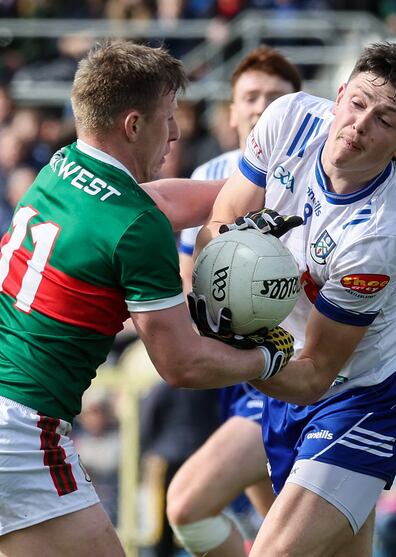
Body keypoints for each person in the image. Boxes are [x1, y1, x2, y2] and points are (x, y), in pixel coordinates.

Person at [0, 41, 295, 557]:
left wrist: (262, 192)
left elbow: (158, 199)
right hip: (10, 429)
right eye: (167, 118)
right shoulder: (136, 228)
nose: (175, 133)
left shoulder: (60, 166)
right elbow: (183, 364)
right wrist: (273, 354)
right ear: (133, 124)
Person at [188, 42, 396, 556]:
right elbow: (216, 228)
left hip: (364, 395)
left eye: (385, 119)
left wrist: (225, 348)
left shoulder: (382, 232)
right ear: (341, 92)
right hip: (287, 374)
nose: (360, 123)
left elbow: (314, 376)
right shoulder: (289, 119)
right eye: (358, 102)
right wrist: (222, 279)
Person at [166, 45, 302, 553]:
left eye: (275, 97)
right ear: (231, 112)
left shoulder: (317, 180)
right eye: (251, 96)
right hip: (238, 367)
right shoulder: (207, 179)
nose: (262, 106)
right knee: (284, 534)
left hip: (296, 366)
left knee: (189, 504)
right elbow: (187, 280)